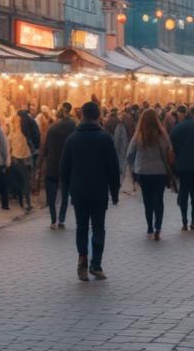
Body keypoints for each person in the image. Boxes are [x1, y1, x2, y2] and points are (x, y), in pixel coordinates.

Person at [60, 101, 121, 281]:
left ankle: (82, 259)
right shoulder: (105, 138)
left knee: (81, 227)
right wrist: (115, 192)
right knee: (98, 226)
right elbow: (113, 168)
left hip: (78, 191)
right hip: (99, 191)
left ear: (82, 116)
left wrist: (69, 188)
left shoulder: (72, 139)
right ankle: (96, 264)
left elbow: (63, 168)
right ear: (97, 117)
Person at [126, 108, 174, 240]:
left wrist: (133, 168)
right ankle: (158, 227)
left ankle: (149, 227)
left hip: (143, 172)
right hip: (160, 172)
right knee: (159, 200)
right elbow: (168, 150)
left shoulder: (138, 136)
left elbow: (129, 154)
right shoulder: (162, 135)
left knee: (148, 201)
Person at [39, 102, 76, 230]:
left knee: (51, 195)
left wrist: (39, 164)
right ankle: (61, 219)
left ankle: (53, 220)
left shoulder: (52, 128)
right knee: (65, 194)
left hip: (52, 165)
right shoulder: (73, 127)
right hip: (66, 166)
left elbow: (44, 147)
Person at [7, 111, 35, 211]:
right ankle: (27, 202)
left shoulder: (11, 135)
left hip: (14, 160)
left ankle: (21, 201)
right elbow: (28, 150)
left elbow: (8, 149)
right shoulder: (23, 135)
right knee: (25, 181)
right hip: (23, 161)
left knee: (19, 182)